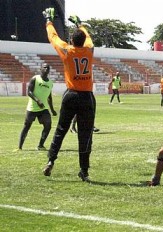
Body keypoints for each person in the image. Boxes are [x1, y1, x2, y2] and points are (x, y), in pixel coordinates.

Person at [41, 8, 96, 182]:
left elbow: (53, 38)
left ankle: (51, 160)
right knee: (85, 134)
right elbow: (88, 39)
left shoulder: (67, 51)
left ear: (71, 40)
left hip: (71, 94)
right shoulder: (89, 50)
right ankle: (84, 171)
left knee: (60, 130)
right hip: (87, 97)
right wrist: (80, 24)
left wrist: (49, 21)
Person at [15, 63, 57, 151]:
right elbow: (29, 92)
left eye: (48, 68)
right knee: (27, 126)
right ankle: (20, 147)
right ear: (41, 69)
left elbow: (49, 97)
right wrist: (37, 100)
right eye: (45, 67)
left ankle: (40, 145)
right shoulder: (35, 78)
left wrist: (52, 110)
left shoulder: (50, 83)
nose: (46, 69)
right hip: (32, 108)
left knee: (48, 125)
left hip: (43, 108)